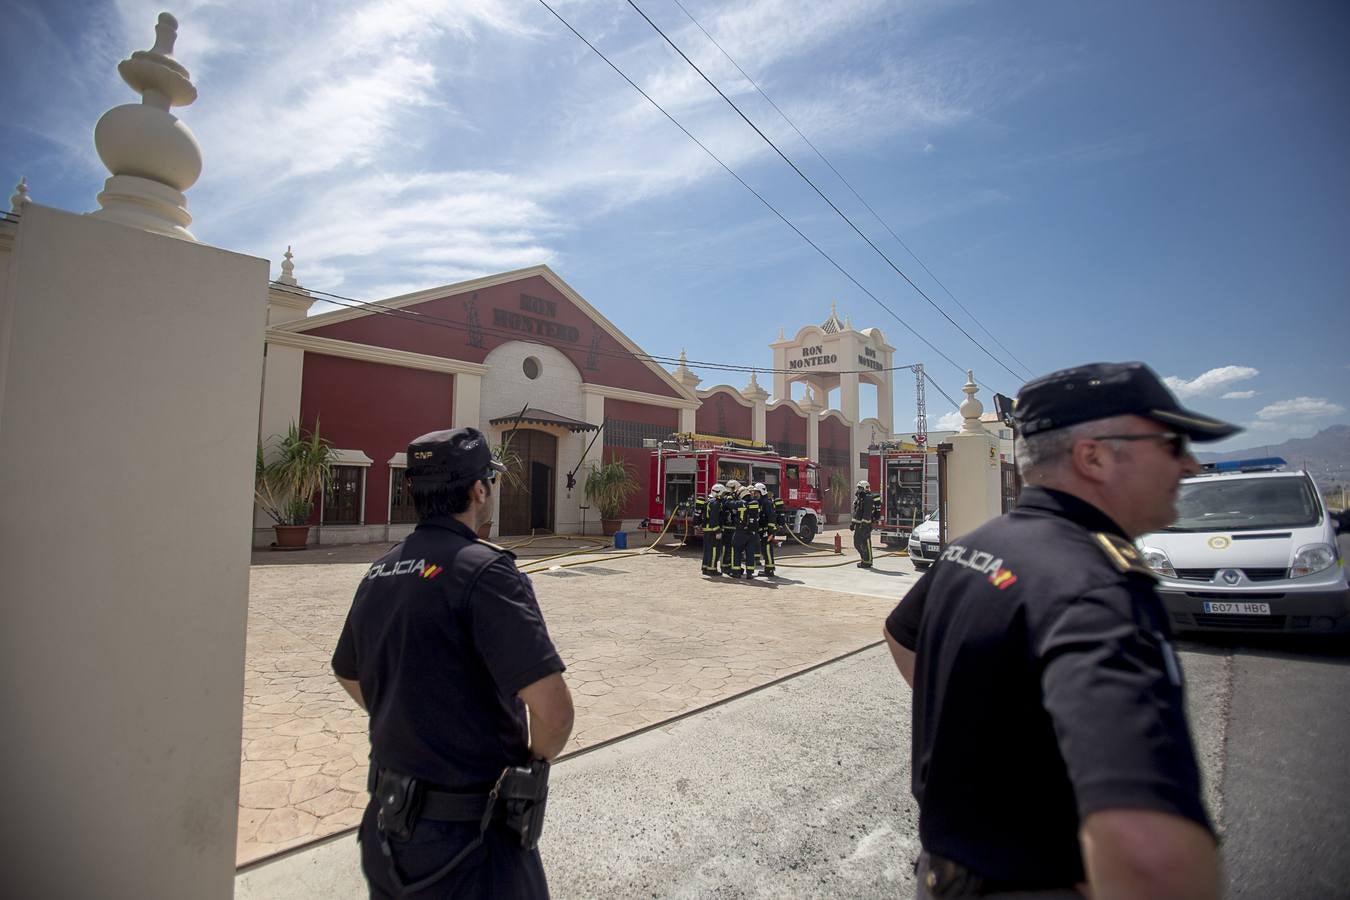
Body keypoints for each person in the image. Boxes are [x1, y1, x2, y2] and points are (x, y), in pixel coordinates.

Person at [883, 362, 1235, 900]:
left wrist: (982, 733)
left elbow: (900, 634)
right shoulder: (1095, 587)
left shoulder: (976, 547)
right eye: (1170, 444)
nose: (1189, 464)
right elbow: (1149, 857)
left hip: (944, 875)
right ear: (1093, 457)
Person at [332, 427, 574, 898]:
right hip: (468, 841)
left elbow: (347, 671)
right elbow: (555, 713)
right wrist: (531, 765)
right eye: (490, 482)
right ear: (479, 490)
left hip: (386, 831)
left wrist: (409, 717)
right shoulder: (486, 572)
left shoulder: (380, 570)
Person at [754, 481, 781, 578]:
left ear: (761, 492)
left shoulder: (767, 503)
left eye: (756, 493)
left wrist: (770, 532)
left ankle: (769, 570)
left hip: (767, 531)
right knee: (765, 550)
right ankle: (769, 568)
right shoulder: (761, 502)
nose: (754, 495)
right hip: (763, 531)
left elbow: (771, 517)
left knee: (767, 550)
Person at [700, 483, 726, 576]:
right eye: (723, 494)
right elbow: (714, 519)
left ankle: (705, 567)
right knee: (714, 550)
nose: (723, 496)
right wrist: (717, 531)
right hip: (712, 530)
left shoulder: (708, 501)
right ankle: (712, 569)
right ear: (718, 493)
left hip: (707, 530)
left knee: (707, 550)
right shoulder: (716, 503)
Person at [851, 480, 878, 568]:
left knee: (865, 543)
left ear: (865, 488)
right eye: (858, 488)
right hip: (859, 525)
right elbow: (857, 512)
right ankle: (864, 559)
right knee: (857, 543)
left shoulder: (868, 498)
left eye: (860, 488)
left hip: (865, 525)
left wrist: (864, 524)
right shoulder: (860, 498)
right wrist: (853, 523)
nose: (858, 490)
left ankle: (868, 561)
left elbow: (867, 513)